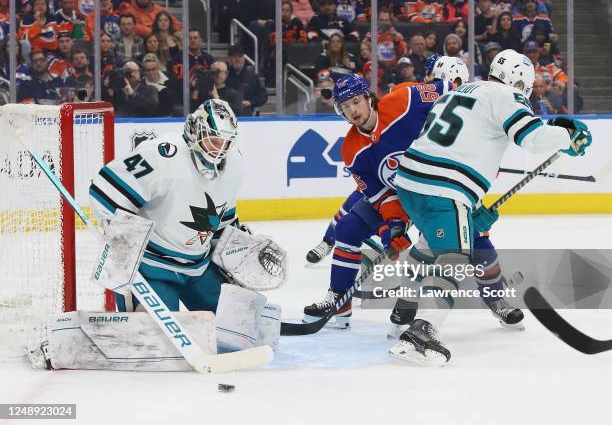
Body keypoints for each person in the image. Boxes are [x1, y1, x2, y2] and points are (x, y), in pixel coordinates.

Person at [390, 49, 592, 365]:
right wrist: (567, 139)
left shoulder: (462, 91)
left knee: (430, 243)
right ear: (519, 80)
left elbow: (453, 144)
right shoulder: (506, 96)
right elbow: (533, 139)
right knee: (455, 256)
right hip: (442, 187)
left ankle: (404, 303)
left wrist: (467, 210)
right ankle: (422, 330)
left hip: (410, 180)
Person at [88, 100, 282, 355]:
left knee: (244, 328)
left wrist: (235, 251)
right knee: (160, 344)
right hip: (152, 268)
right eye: (213, 139)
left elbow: (223, 220)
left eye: (226, 142)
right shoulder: (162, 155)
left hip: (197, 268)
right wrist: (120, 242)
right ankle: (135, 309)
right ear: (195, 130)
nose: (219, 149)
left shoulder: (235, 164)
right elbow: (104, 192)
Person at [302, 70, 455, 327]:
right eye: (345, 106)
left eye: (356, 101)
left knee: (447, 242)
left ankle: (422, 302)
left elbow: (450, 88)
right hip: (400, 196)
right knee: (348, 228)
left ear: (369, 98)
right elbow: (380, 194)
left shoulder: (403, 101)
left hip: (437, 187)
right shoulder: (351, 150)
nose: (353, 110)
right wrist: (393, 226)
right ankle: (339, 300)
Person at [226, 43, 268, 116]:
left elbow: (263, 96)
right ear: (229, 58)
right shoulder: (223, 76)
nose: (237, 59)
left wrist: (250, 102)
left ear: (244, 58)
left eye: (240, 56)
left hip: (246, 117)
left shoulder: (252, 76)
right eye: (234, 56)